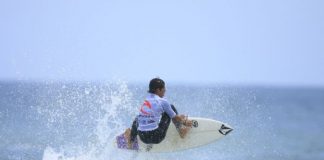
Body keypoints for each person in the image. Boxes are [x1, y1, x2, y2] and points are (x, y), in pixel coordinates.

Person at [124, 78, 193, 148]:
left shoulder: (146, 100)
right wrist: (184, 121)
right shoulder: (162, 101)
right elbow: (175, 118)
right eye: (163, 89)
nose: (165, 90)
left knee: (138, 118)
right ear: (158, 90)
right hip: (157, 137)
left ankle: (131, 140)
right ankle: (181, 131)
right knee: (171, 107)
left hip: (143, 137)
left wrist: (178, 117)